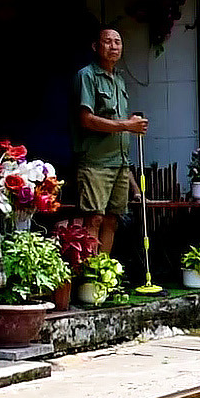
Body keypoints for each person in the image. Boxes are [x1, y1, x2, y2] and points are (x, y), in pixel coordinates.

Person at [73, 28, 147, 254]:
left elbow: (119, 121)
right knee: (94, 219)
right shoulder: (86, 75)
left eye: (118, 42)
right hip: (96, 162)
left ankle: (103, 275)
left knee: (112, 220)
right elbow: (86, 120)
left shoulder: (119, 81)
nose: (113, 46)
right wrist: (126, 125)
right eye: (108, 42)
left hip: (120, 163)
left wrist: (131, 123)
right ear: (96, 46)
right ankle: (89, 278)